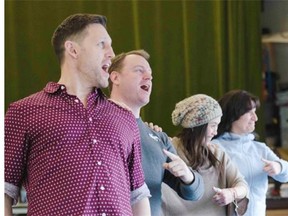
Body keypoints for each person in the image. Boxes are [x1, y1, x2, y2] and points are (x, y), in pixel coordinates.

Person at [5, 14, 151, 216]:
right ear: (73, 49)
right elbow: (4, 188)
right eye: (102, 44)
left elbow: (138, 195)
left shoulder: (124, 118)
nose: (112, 53)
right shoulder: (25, 112)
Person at [108, 49, 204, 216]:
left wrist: (188, 175)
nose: (148, 77)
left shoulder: (157, 138)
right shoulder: (94, 126)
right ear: (115, 77)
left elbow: (194, 192)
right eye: (139, 70)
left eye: (150, 74)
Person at [161, 94, 249, 216]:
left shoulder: (217, 153)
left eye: (217, 125)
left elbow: (242, 185)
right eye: (213, 125)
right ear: (196, 126)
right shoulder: (168, 150)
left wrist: (232, 193)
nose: (216, 132)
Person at [212, 89, 288, 216]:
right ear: (233, 115)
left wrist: (279, 166)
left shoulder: (260, 148)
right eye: (249, 113)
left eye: (255, 112)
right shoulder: (215, 148)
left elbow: (285, 175)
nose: (255, 118)